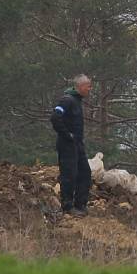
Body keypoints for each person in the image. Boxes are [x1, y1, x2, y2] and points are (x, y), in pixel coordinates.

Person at [49, 74, 92, 217]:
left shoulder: (77, 101)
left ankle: (80, 205)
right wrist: (68, 135)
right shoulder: (67, 100)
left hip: (78, 145)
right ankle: (67, 207)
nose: (89, 89)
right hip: (67, 145)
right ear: (79, 86)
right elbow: (55, 117)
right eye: (88, 86)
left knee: (85, 173)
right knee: (69, 175)